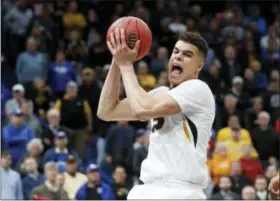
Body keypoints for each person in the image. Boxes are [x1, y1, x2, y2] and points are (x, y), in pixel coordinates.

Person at [98, 30, 215, 199]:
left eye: (187, 54)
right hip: (148, 188)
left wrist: (126, 65)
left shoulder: (198, 90)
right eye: (176, 52)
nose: (178, 57)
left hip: (180, 191)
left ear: (199, 66)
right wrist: (117, 60)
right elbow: (107, 111)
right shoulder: (159, 93)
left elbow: (142, 108)